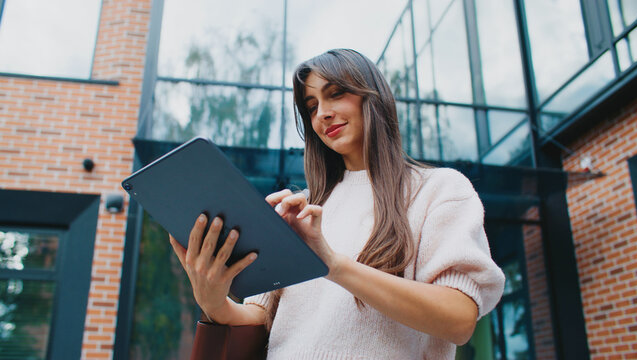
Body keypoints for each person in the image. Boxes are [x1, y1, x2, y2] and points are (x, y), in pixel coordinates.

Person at [170, 48, 505, 359]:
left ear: (373, 97)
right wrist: (214, 302)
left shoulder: (438, 190)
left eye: (335, 94)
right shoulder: (302, 210)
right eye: (312, 106)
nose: (323, 115)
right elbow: (261, 316)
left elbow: (458, 319)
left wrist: (332, 264)